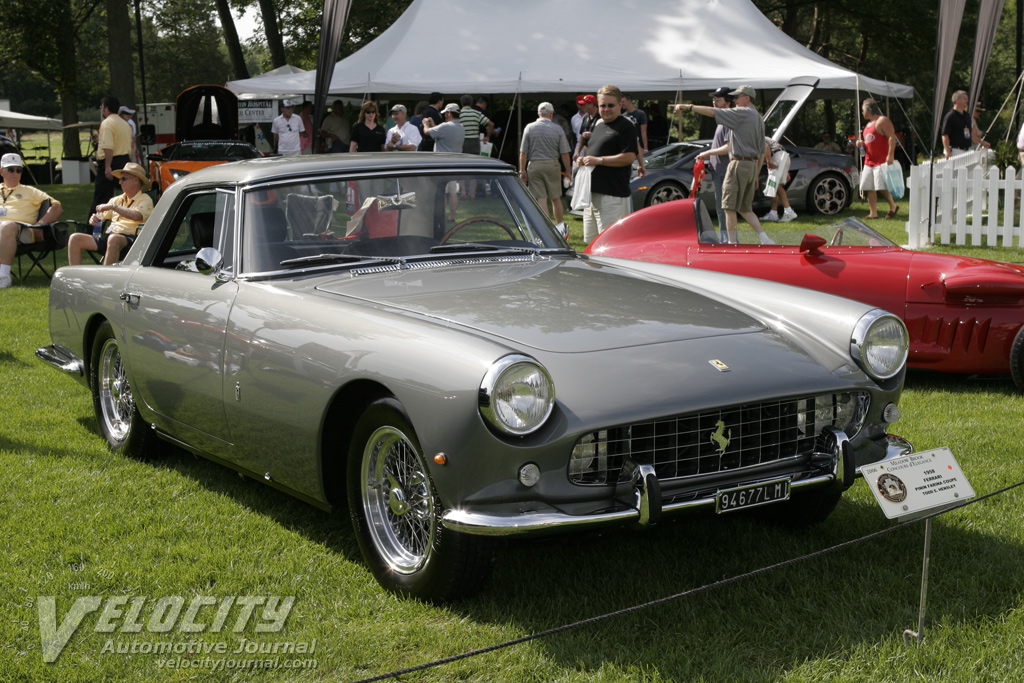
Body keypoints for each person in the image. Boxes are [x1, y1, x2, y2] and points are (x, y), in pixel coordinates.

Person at [676, 85, 773, 245]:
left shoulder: (742, 113)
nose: (734, 100)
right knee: (745, 208)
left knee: (728, 207)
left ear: (747, 98)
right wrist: (756, 174)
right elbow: (763, 150)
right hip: (751, 166)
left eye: (737, 97)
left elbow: (712, 112)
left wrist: (689, 106)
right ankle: (765, 238)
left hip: (737, 163)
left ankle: (731, 243)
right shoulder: (758, 117)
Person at [576, 85, 638, 243]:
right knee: (592, 245)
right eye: (602, 105)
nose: (606, 109)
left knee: (611, 245)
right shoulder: (598, 125)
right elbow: (593, 152)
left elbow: (629, 157)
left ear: (620, 105)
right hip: (592, 195)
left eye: (611, 105)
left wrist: (599, 160)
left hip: (612, 197)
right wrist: (583, 159)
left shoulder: (626, 126)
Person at [68, 162, 154, 266]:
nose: (120, 182)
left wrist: (113, 207)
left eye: (123, 178)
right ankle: (75, 278)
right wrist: (94, 218)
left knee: (114, 239)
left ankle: (105, 279)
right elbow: (100, 217)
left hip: (132, 239)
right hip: (110, 237)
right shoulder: (116, 200)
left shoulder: (145, 199)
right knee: (75, 238)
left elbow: (136, 216)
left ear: (136, 180)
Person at [0, 153, 64, 289]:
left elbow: (57, 208)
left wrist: (39, 224)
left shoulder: (30, 191)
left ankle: (4, 277)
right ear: (1, 171)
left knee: (7, 226)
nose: (15, 173)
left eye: (18, 170)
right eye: (10, 169)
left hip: (23, 231)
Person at [520, 102, 572, 236]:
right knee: (556, 198)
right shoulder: (558, 128)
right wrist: (568, 171)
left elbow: (523, 152)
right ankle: (560, 229)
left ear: (538, 114)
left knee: (541, 198)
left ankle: (547, 230)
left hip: (535, 165)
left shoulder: (529, 127)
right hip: (553, 165)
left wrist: (522, 170)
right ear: (551, 114)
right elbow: (564, 152)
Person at [695, 87, 735, 239]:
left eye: (718, 100)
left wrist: (708, 153)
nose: (714, 102)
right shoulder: (721, 120)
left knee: (724, 208)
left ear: (728, 102)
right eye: (713, 99)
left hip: (724, 170)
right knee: (722, 208)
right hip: (717, 170)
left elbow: (728, 147)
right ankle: (727, 240)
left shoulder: (727, 120)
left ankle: (728, 241)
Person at [856, 98, 898, 219]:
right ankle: (873, 213)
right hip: (869, 161)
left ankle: (893, 206)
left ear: (868, 110)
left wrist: (890, 155)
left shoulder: (882, 120)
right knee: (868, 187)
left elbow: (891, 137)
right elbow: (869, 141)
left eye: (863, 110)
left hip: (881, 161)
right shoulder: (868, 124)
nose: (862, 113)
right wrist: (861, 144)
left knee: (881, 188)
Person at [423, 103, 466, 221]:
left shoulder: (446, 126)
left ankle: (440, 216)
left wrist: (426, 124)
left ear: (449, 113)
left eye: (446, 114)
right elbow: (442, 133)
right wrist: (434, 125)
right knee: (452, 192)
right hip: (455, 164)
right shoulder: (461, 127)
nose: (445, 116)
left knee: (441, 192)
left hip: (441, 165)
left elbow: (427, 132)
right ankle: (451, 216)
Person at [92, 96, 134, 215]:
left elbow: (108, 147)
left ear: (106, 109)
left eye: (102, 107)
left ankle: (94, 228)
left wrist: (107, 166)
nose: (101, 109)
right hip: (124, 161)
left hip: (112, 162)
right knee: (126, 195)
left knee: (101, 199)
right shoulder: (125, 124)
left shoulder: (107, 123)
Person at [761, 137, 797, 222]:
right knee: (775, 186)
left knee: (775, 185)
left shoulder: (754, 135)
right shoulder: (761, 135)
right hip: (783, 156)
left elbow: (766, 146)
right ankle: (773, 213)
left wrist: (769, 161)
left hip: (777, 156)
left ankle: (789, 211)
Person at [941, 90, 974, 159]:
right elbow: (945, 135)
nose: (967, 101)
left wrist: (981, 142)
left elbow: (971, 132)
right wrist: (948, 151)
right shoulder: (950, 116)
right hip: (956, 151)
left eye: (967, 99)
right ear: (957, 100)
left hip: (967, 150)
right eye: (964, 99)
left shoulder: (967, 115)